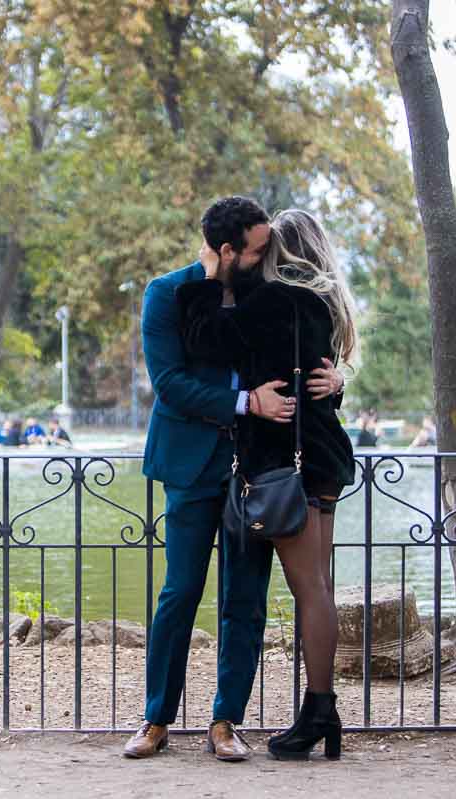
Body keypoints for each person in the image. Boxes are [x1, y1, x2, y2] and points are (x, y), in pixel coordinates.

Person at [123, 197, 344, 762]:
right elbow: (170, 383)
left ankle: (226, 722)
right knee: (180, 592)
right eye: (255, 246)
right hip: (191, 465)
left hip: (257, 471)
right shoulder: (167, 293)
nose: (264, 254)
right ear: (227, 250)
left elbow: (298, 355)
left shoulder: (259, 292)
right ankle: (156, 719)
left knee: (244, 599)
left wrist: (334, 381)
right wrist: (245, 402)